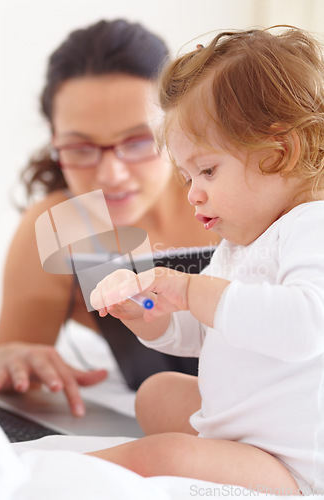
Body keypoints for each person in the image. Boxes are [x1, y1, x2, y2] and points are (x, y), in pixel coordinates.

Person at [89, 26, 324, 494]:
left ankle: (36, 470)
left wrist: (191, 289)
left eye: (208, 170)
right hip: (245, 430)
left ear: (280, 152)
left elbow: (305, 326)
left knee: (162, 456)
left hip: (294, 461)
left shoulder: (312, 227)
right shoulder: (239, 244)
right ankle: (212, 450)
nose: (193, 193)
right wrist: (148, 315)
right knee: (156, 393)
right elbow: (201, 331)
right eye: (185, 176)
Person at [0, 19, 220, 416]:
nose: (111, 175)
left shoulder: (239, 195)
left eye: (138, 141)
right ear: (54, 142)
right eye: (80, 148)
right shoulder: (61, 228)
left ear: (178, 124)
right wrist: (12, 363)